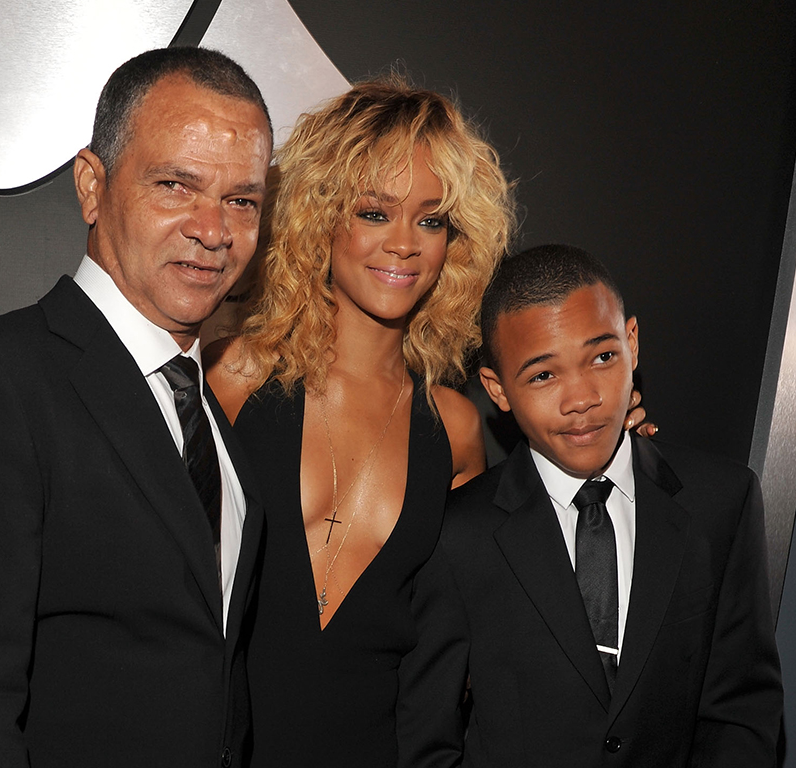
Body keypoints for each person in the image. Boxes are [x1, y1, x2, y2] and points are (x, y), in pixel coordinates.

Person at [206, 81, 647, 767]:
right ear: (322, 219)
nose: (405, 245)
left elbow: (499, 616)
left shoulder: (457, 428)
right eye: (375, 212)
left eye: (432, 220)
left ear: (456, 245)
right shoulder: (234, 377)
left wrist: (618, 449)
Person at [0, 48, 271, 767]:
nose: (213, 230)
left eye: (241, 200)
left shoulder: (209, 411)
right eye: (176, 185)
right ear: (93, 187)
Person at [431, 244, 783, 767]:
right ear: (497, 389)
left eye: (602, 357)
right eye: (543, 375)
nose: (582, 398)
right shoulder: (460, 533)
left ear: (632, 344)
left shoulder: (722, 503)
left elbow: (742, 713)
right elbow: (428, 737)